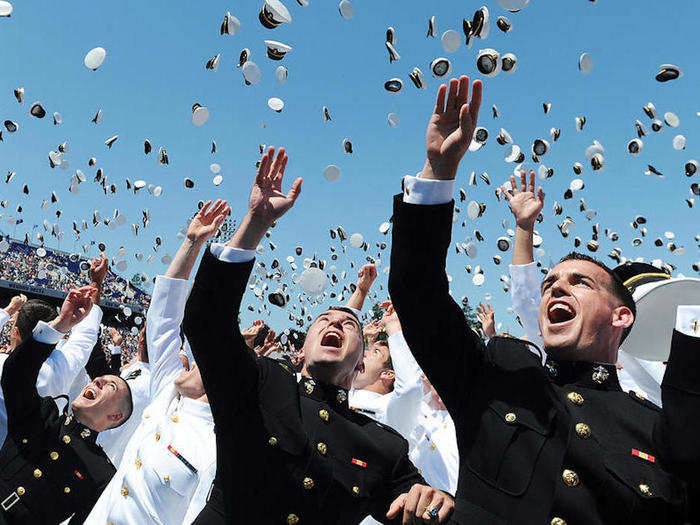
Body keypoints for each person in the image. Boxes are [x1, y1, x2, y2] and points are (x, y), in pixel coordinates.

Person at [388, 74, 700, 524]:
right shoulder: (498, 376)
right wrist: (438, 171)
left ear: (621, 317)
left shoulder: (655, 426)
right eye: (551, 280)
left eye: (581, 283)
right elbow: (417, 292)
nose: (556, 286)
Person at [184, 146, 453, 524]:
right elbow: (205, 321)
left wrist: (434, 501)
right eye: (323, 319)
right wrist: (256, 223)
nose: (334, 324)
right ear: (302, 349)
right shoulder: (260, 382)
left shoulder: (383, 446)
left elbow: (426, 508)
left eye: (349, 325)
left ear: (362, 361)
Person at [86, 199, 227, 525]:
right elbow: (162, 320)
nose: (187, 364)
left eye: (198, 362)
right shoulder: (169, 395)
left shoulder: (216, 446)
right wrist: (192, 243)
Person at [502, 170, 668, 407]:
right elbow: (527, 301)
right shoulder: (598, 349)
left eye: (580, 282)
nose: (558, 288)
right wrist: (524, 228)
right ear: (621, 315)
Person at [0, 285, 132, 524]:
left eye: (111, 386)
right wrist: (62, 324)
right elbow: (15, 374)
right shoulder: (42, 415)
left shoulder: (101, 475)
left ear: (115, 416)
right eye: (101, 379)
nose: (99, 379)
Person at [0, 256, 109, 445]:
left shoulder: (2, 364)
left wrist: (8, 310)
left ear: (16, 332)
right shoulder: (63, 365)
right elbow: (86, 334)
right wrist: (96, 282)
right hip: (28, 461)